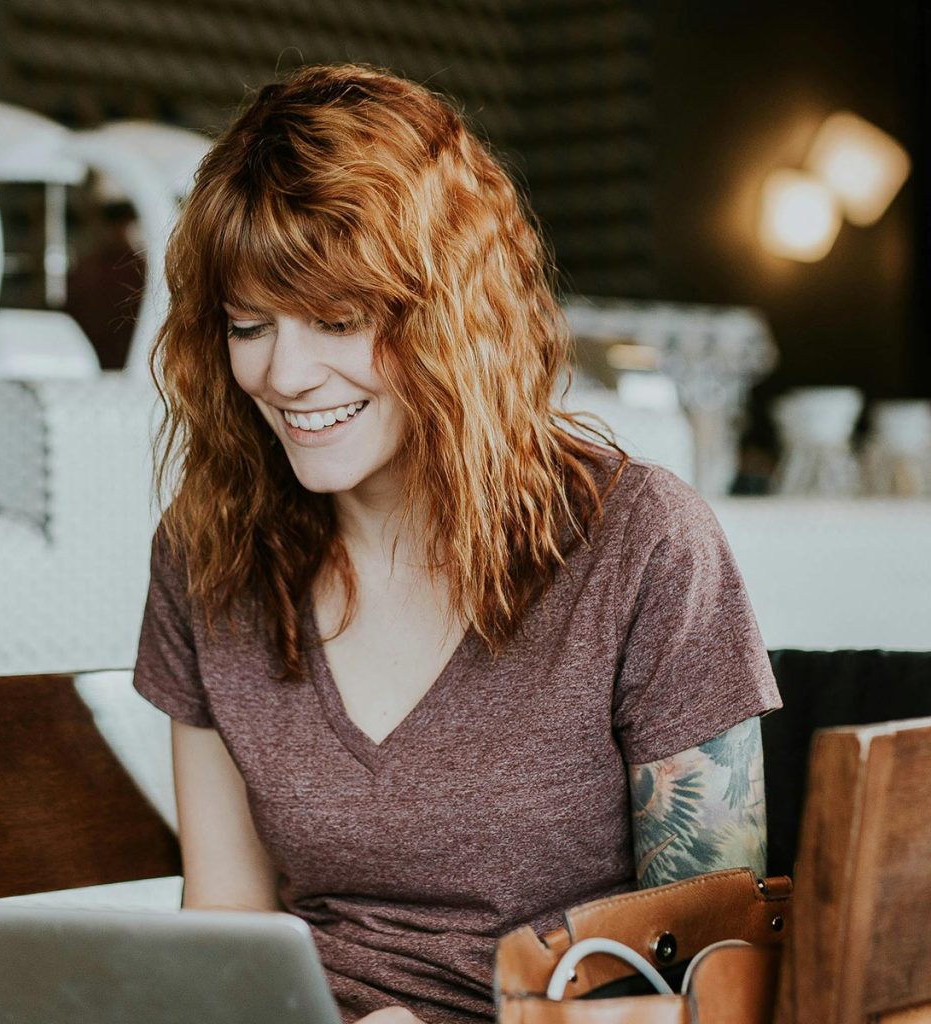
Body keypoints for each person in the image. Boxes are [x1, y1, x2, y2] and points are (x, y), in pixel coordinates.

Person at [132, 63, 781, 1024]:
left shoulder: (642, 546)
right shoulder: (209, 554)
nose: (285, 374)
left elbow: (724, 981)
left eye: (340, 321)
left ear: (450, 316)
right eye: (248, 325)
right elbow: (224, 930)